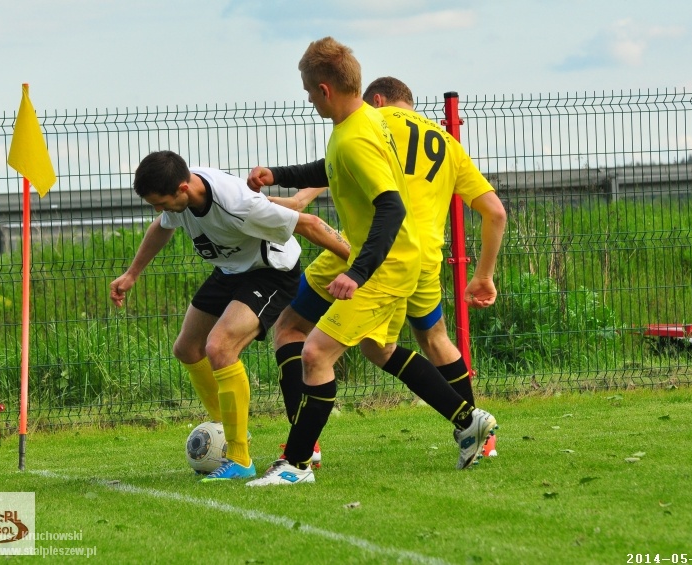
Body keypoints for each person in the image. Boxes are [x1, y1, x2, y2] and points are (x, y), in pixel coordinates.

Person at [246, 38, 497, 487]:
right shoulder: (362, 122)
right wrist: (279, 175)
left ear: (325, 90)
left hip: (387, 264)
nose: (308, 99)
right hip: (399, 257)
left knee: (315, 352)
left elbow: (391, 207)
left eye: (308, 91)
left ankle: (296, 465)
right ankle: (468, 420)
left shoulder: (360, 133)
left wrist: (357, 272)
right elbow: (333, 167)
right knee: (376, 348)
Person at [109, 150, 350, 482]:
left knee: (220, 347)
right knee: (187, 348)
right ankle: (230, 428)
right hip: (230, 271)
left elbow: (309, 224)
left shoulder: (237, 204)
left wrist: (362, 267)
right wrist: (132, 274)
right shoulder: (179, 193)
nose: (158, 209)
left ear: (182, 188)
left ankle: (239, 458)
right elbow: (161, 227)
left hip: (271, 272)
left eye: (161, 203)